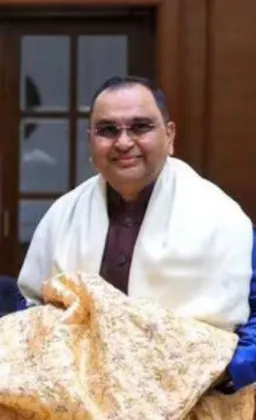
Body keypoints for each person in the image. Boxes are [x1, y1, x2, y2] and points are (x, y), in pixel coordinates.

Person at [17, 75, 256, 393]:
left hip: (194, 398)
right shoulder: (62, 215)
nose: (123, 142)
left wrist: (224, 372)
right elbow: (29, 306)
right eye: (108, 130)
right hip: (75, 395)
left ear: (169, 136)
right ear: (91, 141)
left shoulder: (222, 219)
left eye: (140, 127)